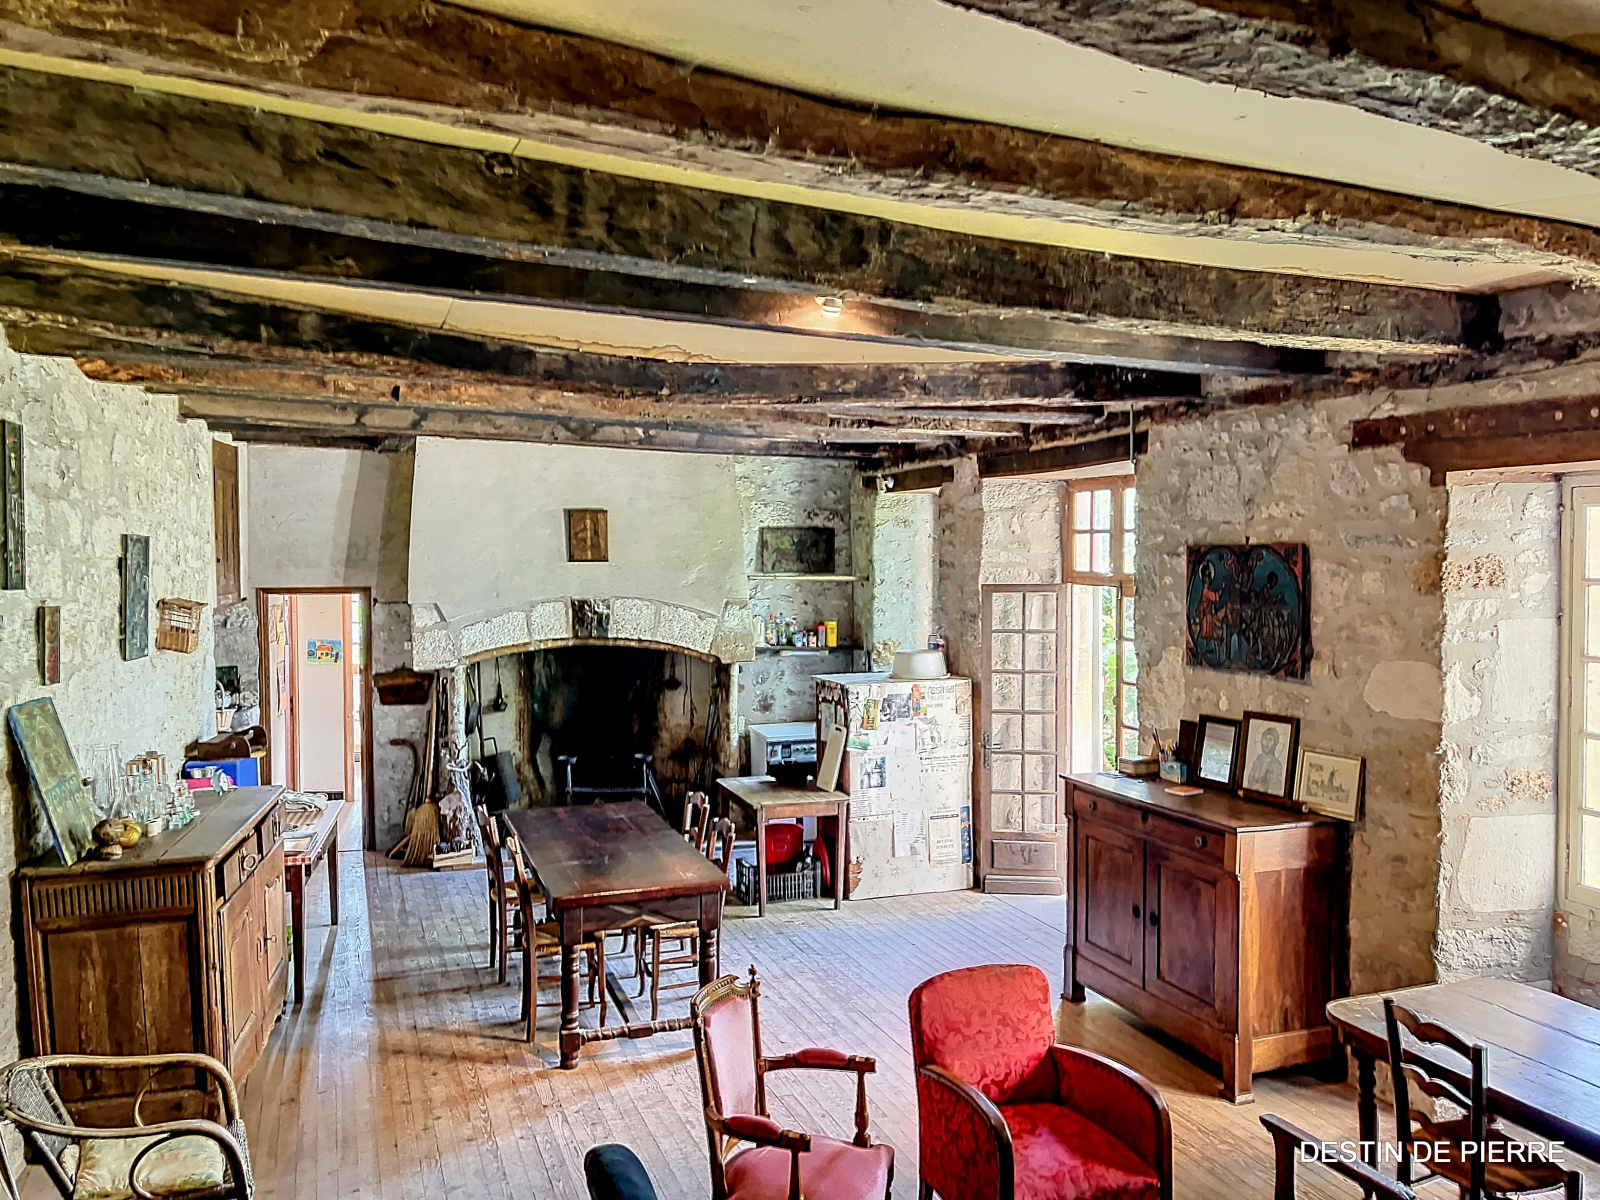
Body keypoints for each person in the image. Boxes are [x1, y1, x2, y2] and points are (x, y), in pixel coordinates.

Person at [1245, 725, 1286, 794]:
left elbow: (1277, 787)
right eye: (1265, 739)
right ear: (1262, 741)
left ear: (1275, 744)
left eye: (1270, 740)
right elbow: (1250, 782)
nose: (1267, 743)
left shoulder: (1277, 764)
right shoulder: (1257, 761)